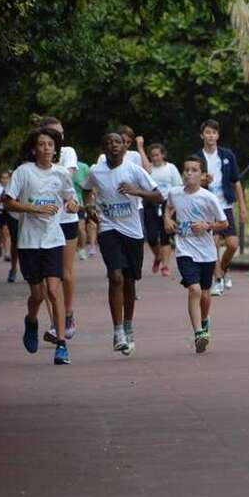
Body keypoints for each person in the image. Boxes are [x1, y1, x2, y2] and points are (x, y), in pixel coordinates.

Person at [82, 132, 162, 356]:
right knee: (115, 277)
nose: (113, 145)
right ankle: (117, 331)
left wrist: (137, 191)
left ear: (124, 147)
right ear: (103, 148)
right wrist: (89, 207)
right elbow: (86, 189)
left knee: (129, 281)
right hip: (108, 228)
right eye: (108, 143)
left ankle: (128, 325)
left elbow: (159, 196)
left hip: (132, 231)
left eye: (117, 142)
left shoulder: (133, 170)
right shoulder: (95, 171)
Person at [3, 127, 78, 365]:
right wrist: (34, 208)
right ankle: (31, 321)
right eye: (42, 144)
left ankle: (61, 344)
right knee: (38, 294)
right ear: (34, 149)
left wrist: (73, 205)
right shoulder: (24, 172)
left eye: (50, 145)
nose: (46, 148)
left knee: (54, 291)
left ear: (56, 150)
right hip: (29, 242)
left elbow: (70, 198)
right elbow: (8, 202)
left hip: (53, 239)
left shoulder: (61, 173)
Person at [165, 155, 228, 353]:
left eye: (194, 170)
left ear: (202, 175)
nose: (189, 173)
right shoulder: (174, 193)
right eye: (187, 170)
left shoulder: (208, 197)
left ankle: (204, 319)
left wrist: (207, 225)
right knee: (194, 290)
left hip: (206, 252)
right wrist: (167, 219)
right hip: (184, 250)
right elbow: (168, 207)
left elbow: (224, 223)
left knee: (205, 295)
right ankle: (199, 333)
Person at [40, 116, 80, 342]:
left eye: (61, 133)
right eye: (55, 134)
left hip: (66, 219)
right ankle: (55, 323)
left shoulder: (68, 152)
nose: (60, 137)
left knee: (65, 273)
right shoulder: (34, 160)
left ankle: (68, 314)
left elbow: (65, 179)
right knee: (48, 277)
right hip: (44, 221)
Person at [196, 119, 248, 296]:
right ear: (202, 135)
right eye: (207, 132)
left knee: (233, 245)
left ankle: (223, 269)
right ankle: (217, 280)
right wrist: (202, 181)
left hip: (225, 205)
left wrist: (242, 206)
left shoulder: (227, 155)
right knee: (213, 244)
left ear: (218, 135)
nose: (211, 136)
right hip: (206, 207)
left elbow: (236, 181)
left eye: (214, 133)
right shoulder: (197, 157)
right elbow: (190, 181)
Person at [145, 143, 182, 276]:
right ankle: (158, 256)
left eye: (157, 155)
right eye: (152, 156)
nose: (155, 158)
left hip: (168, 203)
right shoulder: (148, 170)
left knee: (165, 235)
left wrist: (174, 207)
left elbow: (178, 187)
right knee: (151, 237)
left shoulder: (171, 168)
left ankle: (165, 265)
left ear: (163, 155)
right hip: (151, 204)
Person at [73, 158, 91, 261]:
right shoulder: (61, 166)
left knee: (81, 227)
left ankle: (82, 249)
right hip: (65, 203)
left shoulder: (83, 167)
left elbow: (90, 185)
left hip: (80, 203)